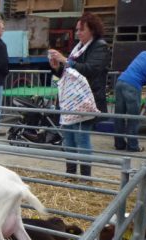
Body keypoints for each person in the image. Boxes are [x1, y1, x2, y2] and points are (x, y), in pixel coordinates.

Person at [47, 12, 110, 177]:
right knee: (68, 139)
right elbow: (69, 74)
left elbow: (91, 70)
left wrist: (65, 61)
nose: (78, 33)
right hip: (70, 102)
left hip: (86, 102)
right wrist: (57, 67)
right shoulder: (78, 48)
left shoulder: (100, 46)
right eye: (77, 30)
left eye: (81, 29)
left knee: (82, 139)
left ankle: (85, 177)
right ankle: (71, 175)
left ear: (92, 30)